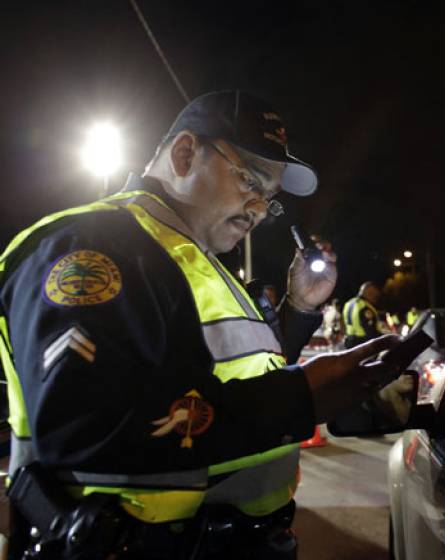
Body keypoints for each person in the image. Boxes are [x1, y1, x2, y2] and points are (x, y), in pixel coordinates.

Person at [0, 90, 405, 559]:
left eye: (269, 198)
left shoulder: (195, 262)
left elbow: (235, 378)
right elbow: (84, 427)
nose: (258, 208)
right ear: (185, 153)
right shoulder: (94, 246)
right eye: (251, 181)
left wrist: (299, 310)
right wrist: (300, 397)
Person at [342, 281, 383, 349]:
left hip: (350, 343)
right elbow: (370, 331)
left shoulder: (348, 303)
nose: (375, 299)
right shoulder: (364, 306)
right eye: (375, 295)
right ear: (368, 292)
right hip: (363, 345)